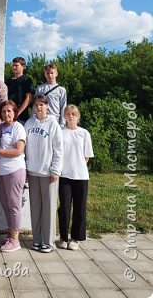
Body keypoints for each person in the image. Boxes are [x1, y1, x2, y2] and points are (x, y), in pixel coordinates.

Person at [25, 94, 63, 253]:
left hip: (48, 173)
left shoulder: (53, 124)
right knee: (35, 208)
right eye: (36, 104)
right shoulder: (29, 122)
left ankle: (48, 242)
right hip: (33, 171)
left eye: (42, 104)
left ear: (47, 106)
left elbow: (59, 149)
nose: (39, 107)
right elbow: (24, 146)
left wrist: (56, 169)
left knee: (49, 208)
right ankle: (37, 239)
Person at [0, 100, 26, 252]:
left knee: (14, 205)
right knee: (6, 204)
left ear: (15, 112)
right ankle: (10, 234)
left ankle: (15, 240)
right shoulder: (0, 127)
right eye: (3, 111)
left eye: (9, 111)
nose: (6, 114)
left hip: (14, 170)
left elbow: (19, 151)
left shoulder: (18, 127)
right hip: (1, 171)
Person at [57, 105, 94, 251]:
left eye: (73, 114)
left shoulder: (84, 133)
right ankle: (63, 237)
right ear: (64, 116)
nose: (70, 116)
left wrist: (77, 166)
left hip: (80, 176)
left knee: (80, 208)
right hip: (64, 176)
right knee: (64, 208)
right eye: (67, 114)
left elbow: (86, 156)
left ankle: (76, 238)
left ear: (78, 116)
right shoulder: (60, 132)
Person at [6, 57, 34, 125]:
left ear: (23, 67)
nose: (14, 67)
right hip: (9, 115)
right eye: (13, 65)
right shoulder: (8, 81)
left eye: (16, 65)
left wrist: (17, 113)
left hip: (22, 117)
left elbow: (29, 98)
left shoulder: (27, 80)